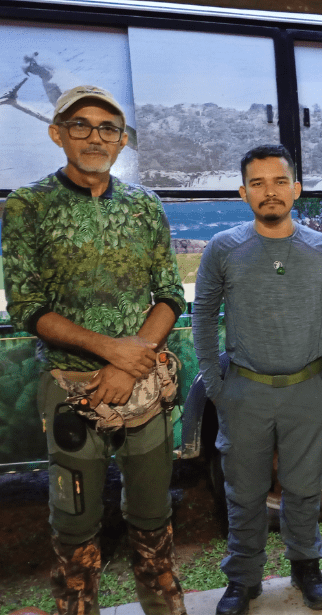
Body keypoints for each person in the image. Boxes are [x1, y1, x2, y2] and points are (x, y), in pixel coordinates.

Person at [1, 85, 187, 615]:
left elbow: (170, 294)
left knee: (152, 513)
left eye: (108, 128)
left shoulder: (145, 205)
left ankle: (164, 607)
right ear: (57, 133)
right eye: (80, 124)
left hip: (144, 389)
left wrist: (131, 363)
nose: (95, 137)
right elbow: (28, 307)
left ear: (122, 141)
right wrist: (112, 353)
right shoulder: (28, 206)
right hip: (71, 390)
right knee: (75, 521)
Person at [192, 144, 322, 614]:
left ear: (296, 189)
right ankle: (243, 579)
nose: (270, 191)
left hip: (309, 390)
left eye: (280, 181)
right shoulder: (224, 247)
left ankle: (306, 567)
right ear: (243, 193)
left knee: (304, 488)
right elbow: (203, 315)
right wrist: (215, 384)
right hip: (244, 390)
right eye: (258, 183)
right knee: (243, 492)